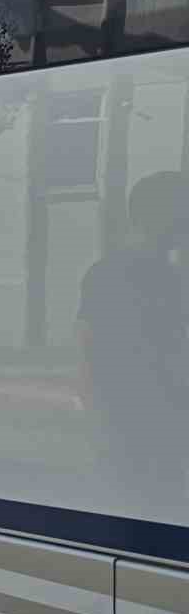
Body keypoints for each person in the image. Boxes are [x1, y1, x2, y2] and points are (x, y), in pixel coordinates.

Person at [77, 171, 189, 499]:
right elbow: (87, 355)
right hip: (142, 433)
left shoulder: (106, 273)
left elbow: (85, 355)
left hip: (141, 433)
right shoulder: (162, 279)